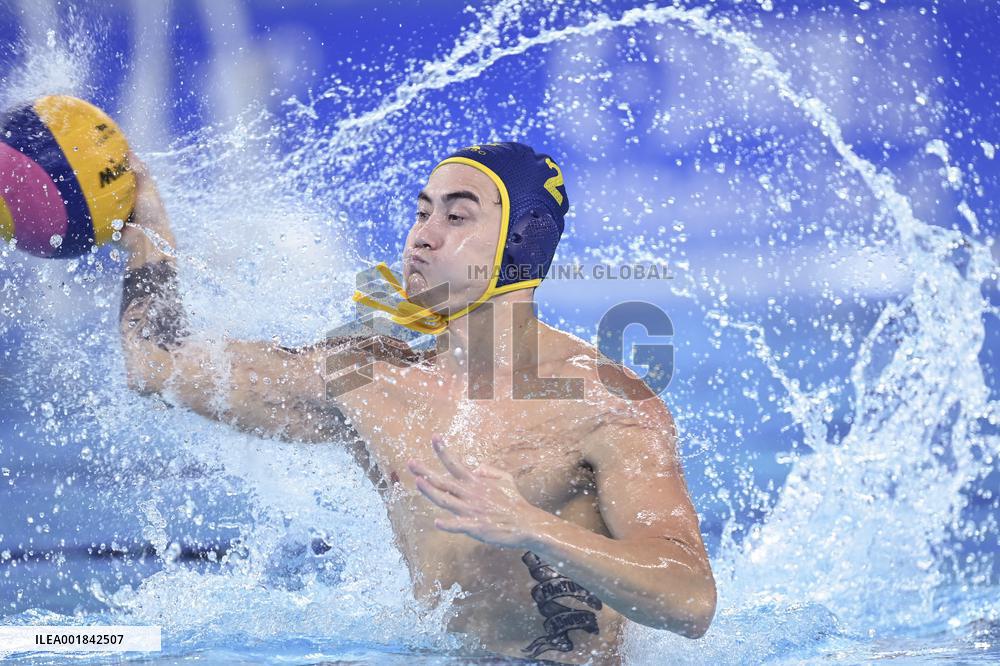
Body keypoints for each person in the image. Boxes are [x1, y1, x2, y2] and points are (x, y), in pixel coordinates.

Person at [118, 142, 717, 665]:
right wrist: (148, 227)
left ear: (520, 241)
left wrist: (533, 527)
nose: (423, 236)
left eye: (457, 216)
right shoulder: (369, 379)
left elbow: (690, 601)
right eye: (422, 211)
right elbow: (156, 364)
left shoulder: (605, 403)